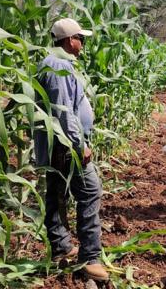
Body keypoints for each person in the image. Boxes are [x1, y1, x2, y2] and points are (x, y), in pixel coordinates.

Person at [33, 18, 109, 281]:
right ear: (68, 40)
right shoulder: (57, 66)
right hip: (66, 146)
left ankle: (61, 247)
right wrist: (79, 146)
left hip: (59, 145)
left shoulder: (57, 63)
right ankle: (90, 258)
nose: (83, 43)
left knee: (57, 194)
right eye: (81, 38)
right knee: (90, 191)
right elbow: (64, 114)